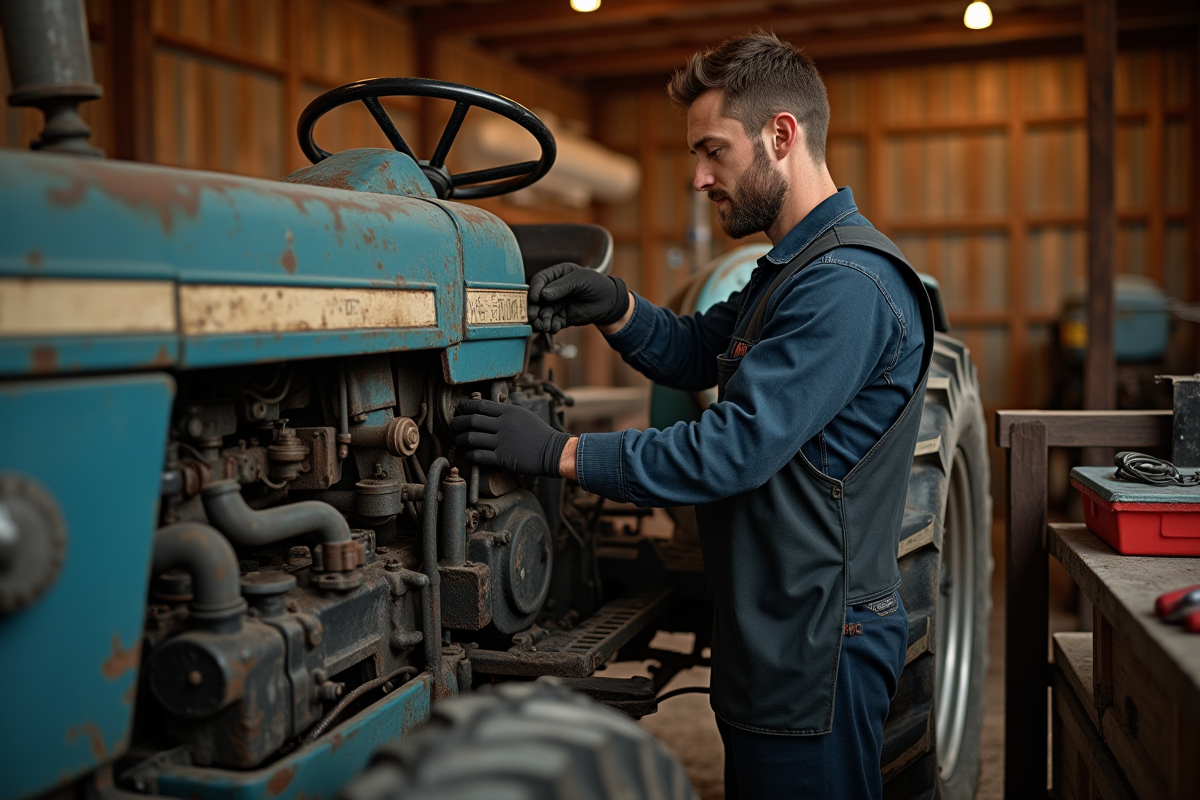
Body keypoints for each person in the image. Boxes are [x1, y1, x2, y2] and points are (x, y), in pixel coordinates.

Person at [451, 31, 935, 800]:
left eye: (714, 151)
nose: (701, 177)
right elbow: (701, 349)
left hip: (815, 640)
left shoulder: (846, 284)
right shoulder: (792, 272)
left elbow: (730, 451)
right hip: (773, 622)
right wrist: (616, 307)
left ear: (782, 136)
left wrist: (561, 455)